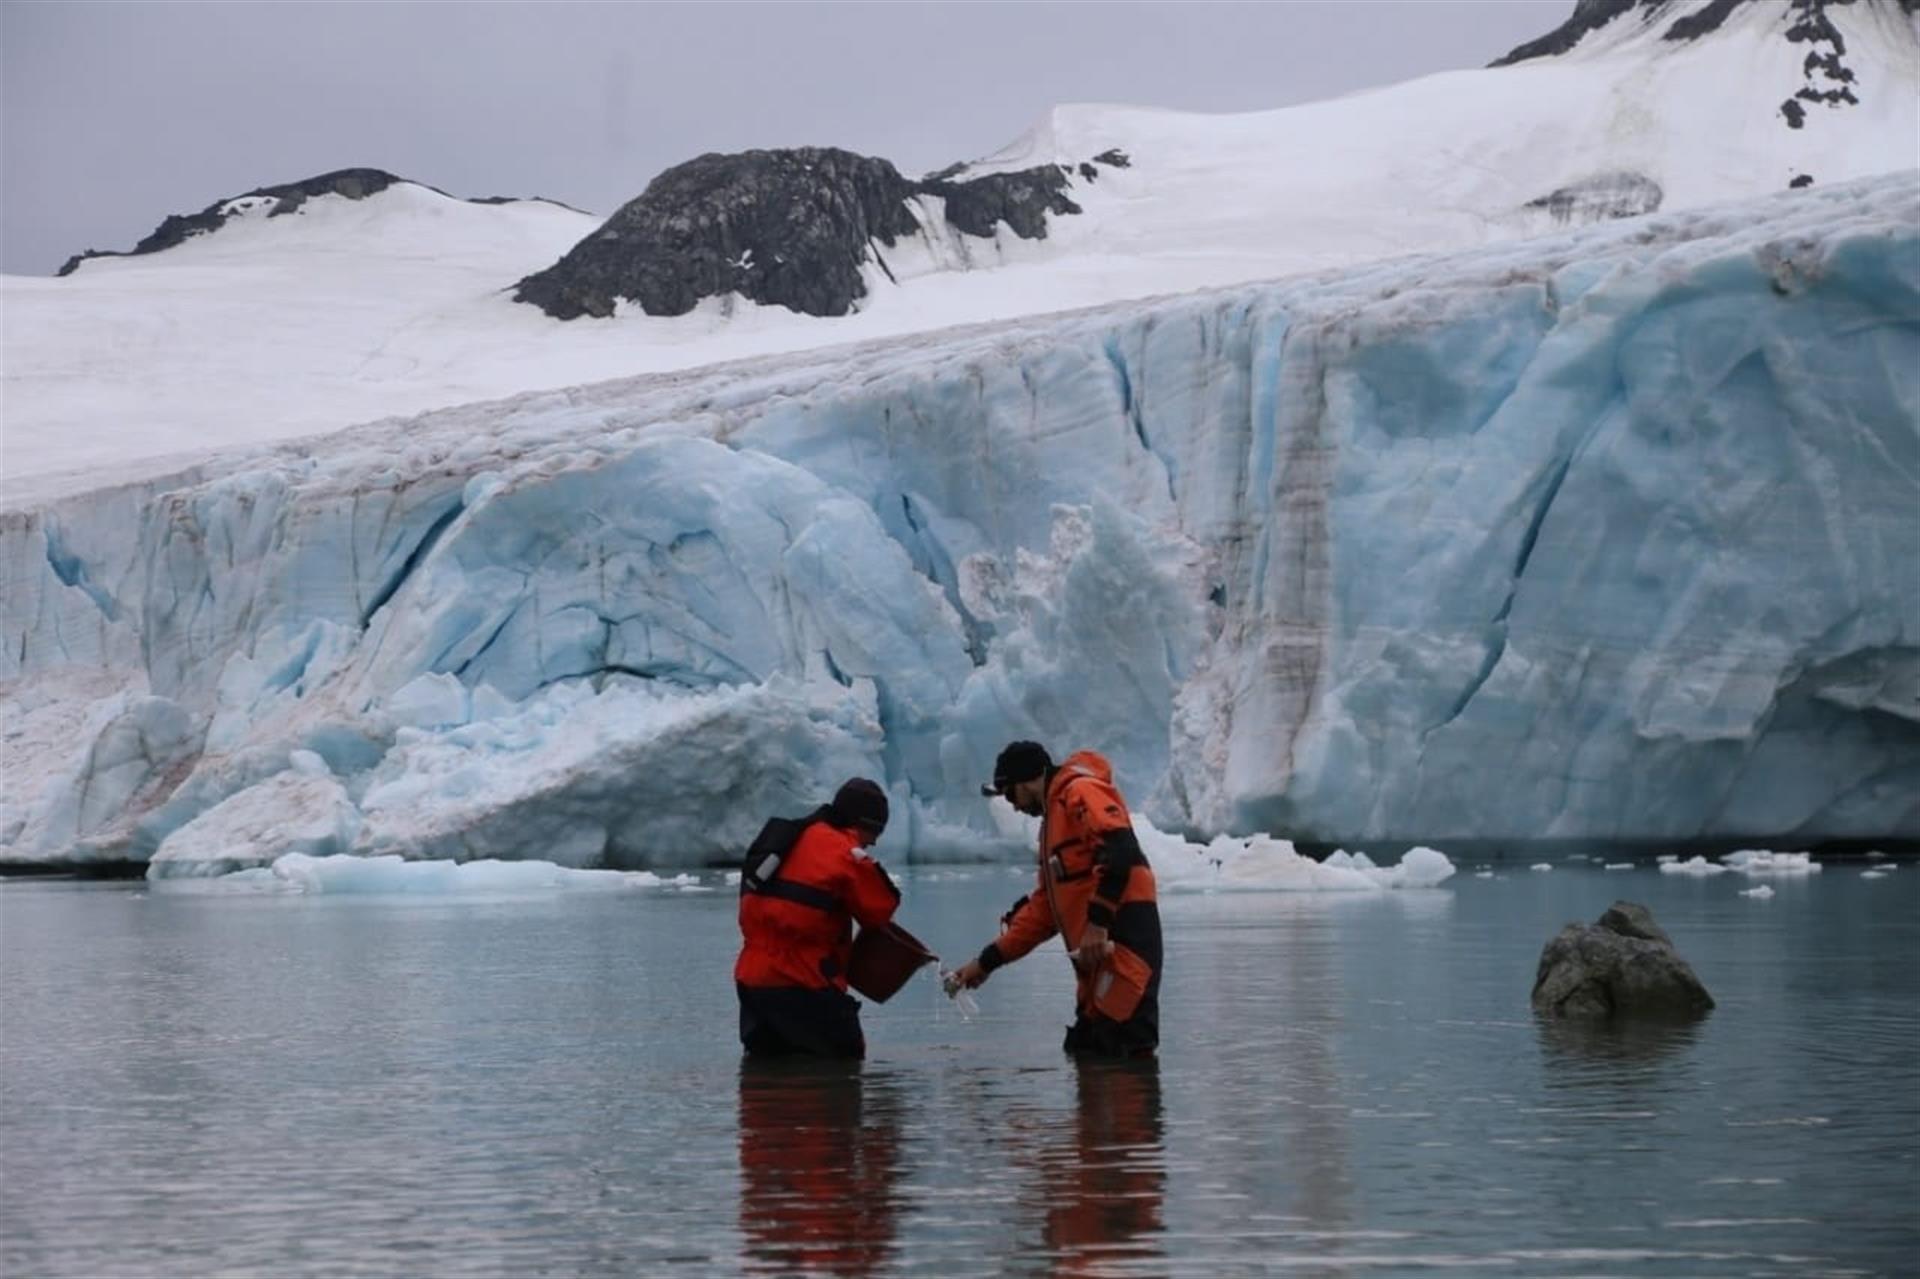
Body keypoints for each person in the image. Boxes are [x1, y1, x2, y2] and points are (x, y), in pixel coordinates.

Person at [948, 741, 1163, 1057]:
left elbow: (1121, 852)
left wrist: (1098, 924)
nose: (1013, 805)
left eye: (1010, 794)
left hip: (1123, 947)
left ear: (1029, 779)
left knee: (1124, 1052)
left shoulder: (1081, 792)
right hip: (1095, 964)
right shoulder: (1053, 826)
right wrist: (985, 963)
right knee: (1087, 1050)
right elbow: (1043, 913)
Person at [735, 777, 900, 1059]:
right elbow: (879, 910)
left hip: (752, 982)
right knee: (842, 1070)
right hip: (802, 979)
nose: (873, 843)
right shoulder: (844, 853)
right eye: (874, 834)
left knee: (766, 1075)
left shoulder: (788, 838)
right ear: (865, 824)